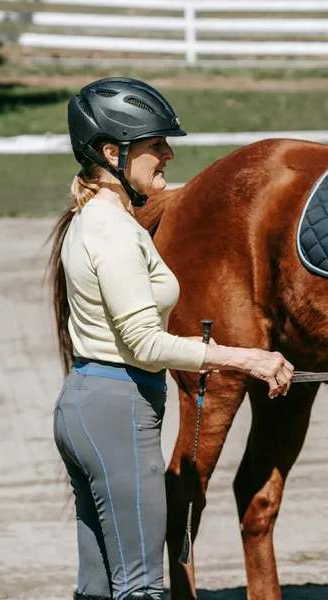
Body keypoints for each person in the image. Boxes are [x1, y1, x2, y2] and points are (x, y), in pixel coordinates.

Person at [46, 77, 294, 600]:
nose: (168, 155)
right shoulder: (111, 233)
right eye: (155, 145)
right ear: (113, 153)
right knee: (141, 588)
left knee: (97, 587)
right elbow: (144, 344)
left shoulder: (101, 219)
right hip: (117, 409)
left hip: (91, 405)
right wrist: (245, 358)